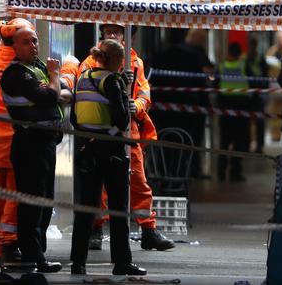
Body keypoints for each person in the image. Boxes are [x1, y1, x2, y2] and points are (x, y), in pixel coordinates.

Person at [64, 23, 174, 251]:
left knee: (138, 182)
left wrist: (138, 106)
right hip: (101, 133)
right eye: (109, 31)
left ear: (125, 35)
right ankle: (97, 229)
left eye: (117, 31)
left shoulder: (135, 62)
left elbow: (144, 92)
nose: (113, 34)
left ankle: (147, 230)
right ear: (102, 34)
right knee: (100, 190)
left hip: (127, 131)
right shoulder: (89, 63)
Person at [69, 40, 147, 276]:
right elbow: (123, 120)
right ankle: (122, 262)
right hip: (111, 150)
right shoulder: (112, 81)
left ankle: (78, 262)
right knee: (118, 209)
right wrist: (124, 92)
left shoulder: (82, 78)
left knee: (85, 208)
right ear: (115, 60)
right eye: (121, 60)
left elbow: (73, 117)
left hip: (87, 149)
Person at [0, 27, 64, 273]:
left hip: (45, 144)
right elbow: (49, 97)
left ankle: (39, 254)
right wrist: (55, 77)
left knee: (45, 200)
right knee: (33, 203)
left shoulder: (36, 69)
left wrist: (54, 88)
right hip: (30, 144)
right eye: (26, 42)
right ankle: (32, 256)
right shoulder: (16, 73)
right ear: (14, 47)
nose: (33, 46)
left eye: (35, 41)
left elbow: (58, 94)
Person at [0, 18, 34, 266]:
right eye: (28, 40)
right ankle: (8, 243)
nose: (32, 45)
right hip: (16, 140)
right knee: (14, 196)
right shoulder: (19, 66)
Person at [150, 29, 213, 178]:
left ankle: (164, 173)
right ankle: (181, 173)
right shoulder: (192, 56)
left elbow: (153, 82)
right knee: (185, 141)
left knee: (165, 140)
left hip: (163, 107)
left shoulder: (159, 56)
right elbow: (200, 83)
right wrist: (205, 104)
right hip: (186, 107)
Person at [217, 43, 251, 181]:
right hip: (241, 109)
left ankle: (221, 172)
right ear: (239, 53)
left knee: (224, 142)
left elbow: (215, 86)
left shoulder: (221, 67)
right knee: (239, 143)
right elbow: (254, 83)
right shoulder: (244, 66)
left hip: (225, 108)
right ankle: (235, 173)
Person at [246, 37, 269, 153]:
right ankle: (249, 143)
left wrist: (264, 91)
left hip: (259, 93)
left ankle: (259, 145)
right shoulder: (247, 59)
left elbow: (265, 75)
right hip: (249, 93)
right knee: (248, 120)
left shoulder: (259, 59)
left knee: (259, 121)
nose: (252, 48)